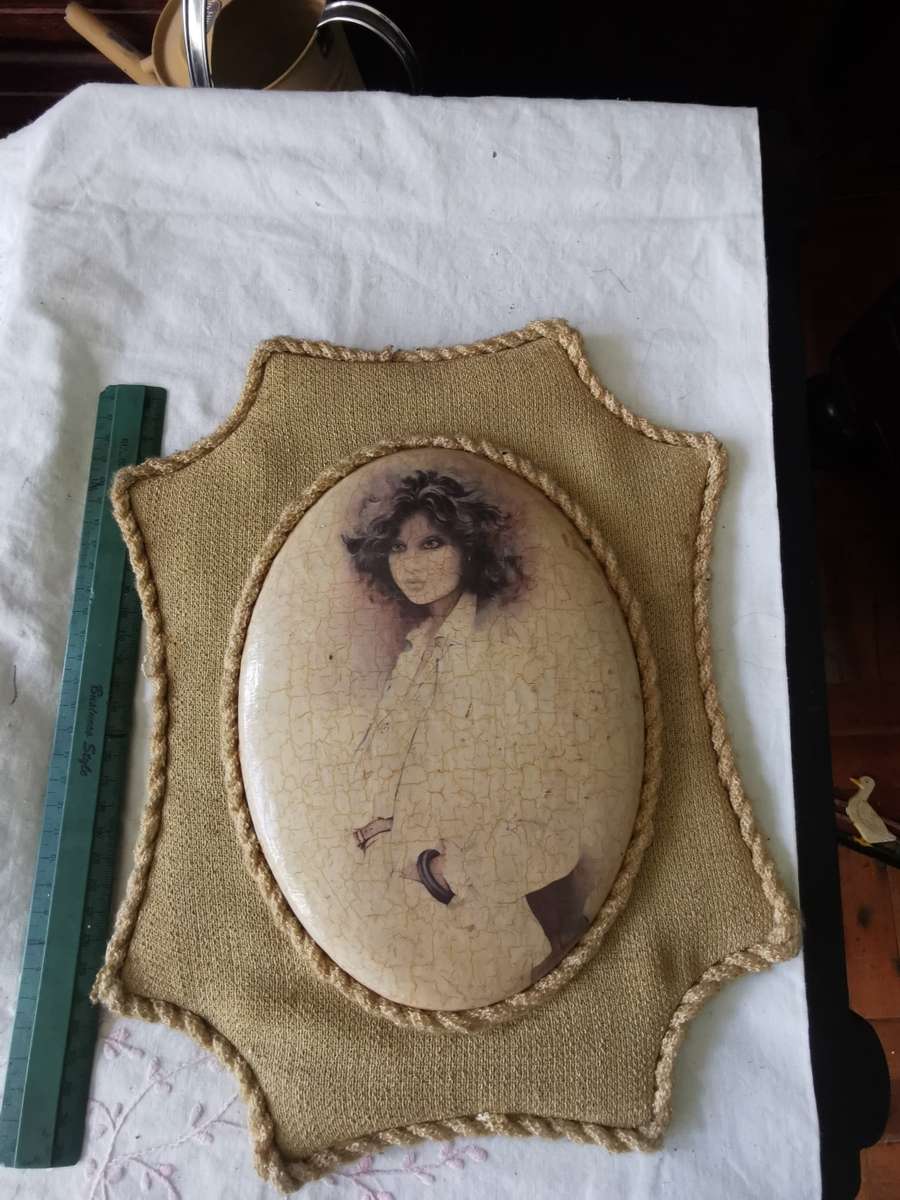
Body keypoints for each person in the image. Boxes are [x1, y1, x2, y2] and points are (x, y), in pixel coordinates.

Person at [341, 469, 591, 994]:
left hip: (480, 940)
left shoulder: (505, 653)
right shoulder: (421, 651)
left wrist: (440, 872)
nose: (413, 565)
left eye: (433, 543)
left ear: (470, 546)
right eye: (399, 547)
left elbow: (556, 830)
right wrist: (384, 827)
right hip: (400, 933)